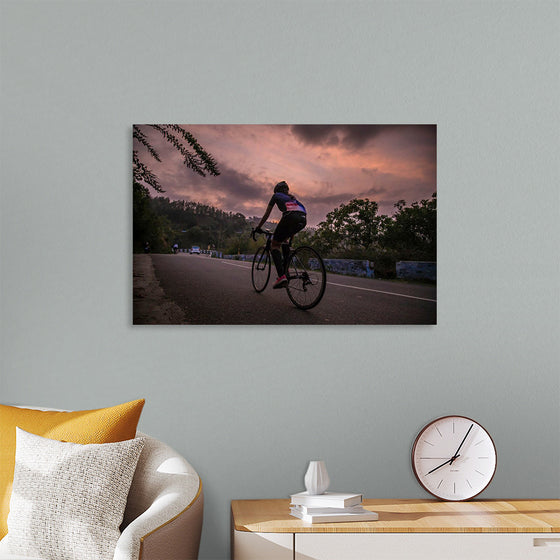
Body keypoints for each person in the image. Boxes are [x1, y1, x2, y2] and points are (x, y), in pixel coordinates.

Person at [255, 181, 307, 289]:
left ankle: (281, 277)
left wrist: (258, 227)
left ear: (277, 191)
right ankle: (286, 268)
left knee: (274, 244)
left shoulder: (276, 196)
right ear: (286, 190)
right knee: (284, 241)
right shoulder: (293, 199)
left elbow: (267, 214)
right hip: (303, 218)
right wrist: (290, 237)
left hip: (290, 217)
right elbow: (294, 221)